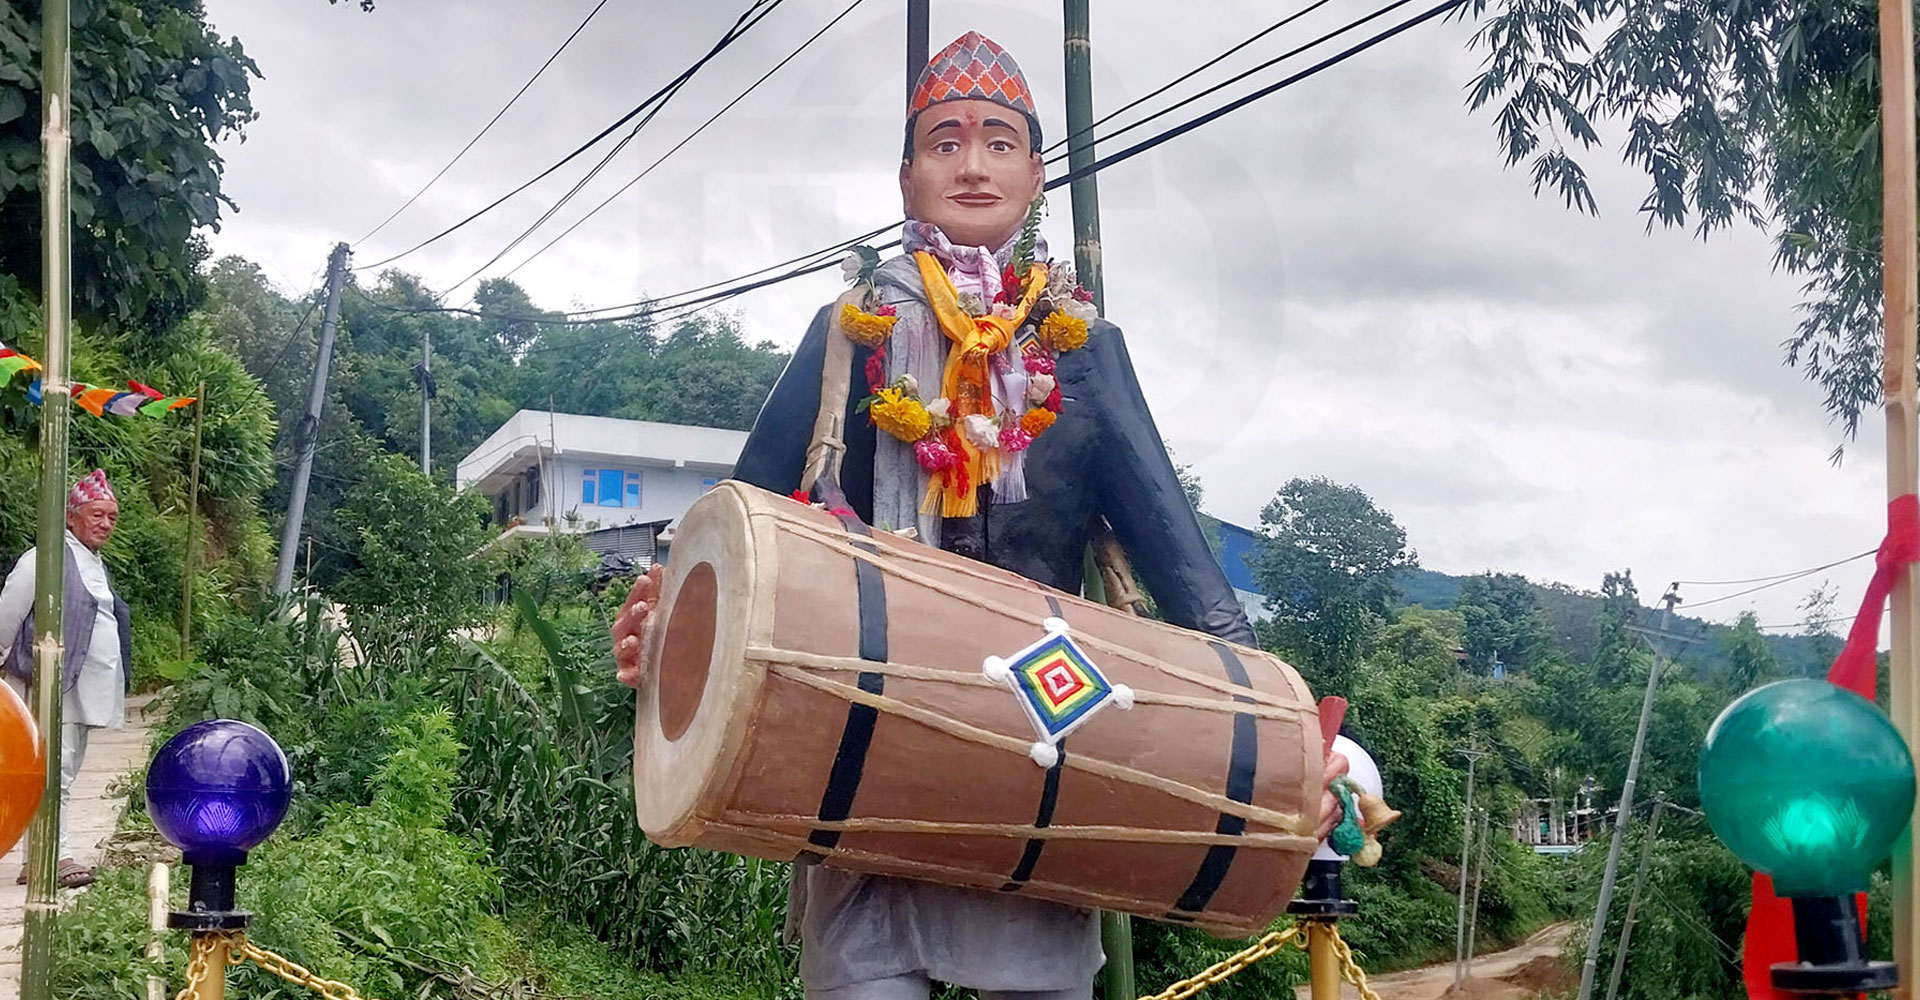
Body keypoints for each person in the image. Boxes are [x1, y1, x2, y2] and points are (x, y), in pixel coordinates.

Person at [615, 31, 1348, 1000]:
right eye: (946, 141)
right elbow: (735, 531)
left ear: (1036, 176)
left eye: (1000, 142)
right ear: (907, 176)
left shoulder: (1083, 349)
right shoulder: (850, 334)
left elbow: (1186, 570)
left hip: (1044, 762)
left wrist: (1292, 740)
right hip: (863, 766)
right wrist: (663, 625)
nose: (972, 165)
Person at [0, 469, 131, 889]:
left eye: (112, 516)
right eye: (97, 514)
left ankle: (39, 857)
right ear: (72, 516)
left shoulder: (91, 561)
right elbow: (9, 610)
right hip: (50, 684)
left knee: (64, 770)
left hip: (81, 689)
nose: (105, 523)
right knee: (54, 772)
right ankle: (54, 856)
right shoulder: (46, 556)